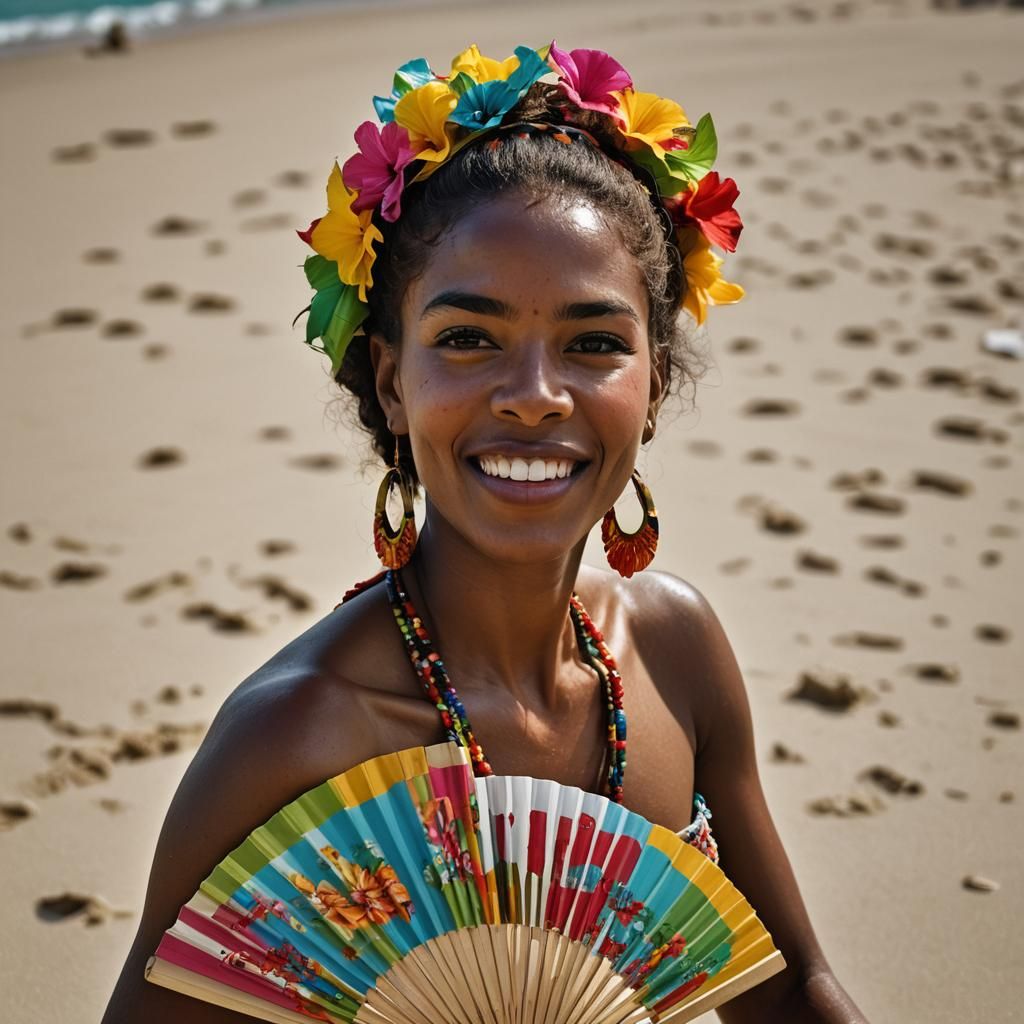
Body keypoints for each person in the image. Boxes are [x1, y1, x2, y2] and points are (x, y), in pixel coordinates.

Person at [103, 42, 868, 1022]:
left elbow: (790, 990)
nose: (534, 395)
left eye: (594, 343)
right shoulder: (299, 736)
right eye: (468, 338)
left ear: (655, 385)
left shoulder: (674, 657)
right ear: (391, 380)